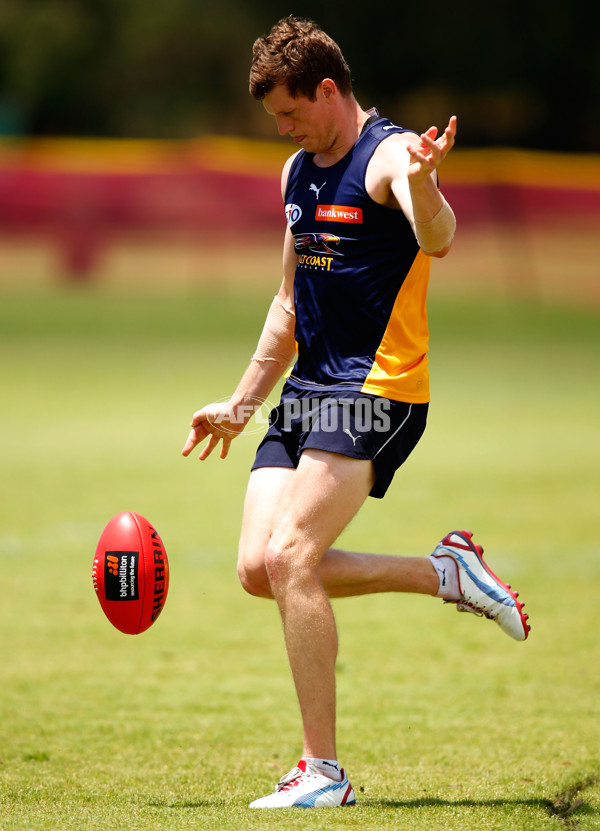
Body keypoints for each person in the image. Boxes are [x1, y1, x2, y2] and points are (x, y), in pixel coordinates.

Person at [182, 15, 530, 810]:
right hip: (309, 390)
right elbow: (286, 303)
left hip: (381, 389)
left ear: (328, 90)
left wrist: (428, 183)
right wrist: (241, 403)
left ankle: (322, 772)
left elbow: (438, 238)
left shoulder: (391, 158)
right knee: (256, 569)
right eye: (276, 119)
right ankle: (447, 572)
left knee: (294, 553)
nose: (283, 129)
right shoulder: (295, 174)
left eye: (290, 113)